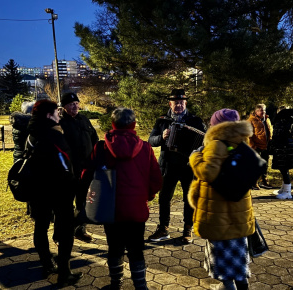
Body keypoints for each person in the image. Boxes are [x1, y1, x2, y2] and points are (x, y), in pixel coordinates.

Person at [88, 107, 162, 290]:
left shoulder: (101, 147)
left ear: (113, 124)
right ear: (134, 124)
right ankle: (140, 285)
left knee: (114, 247)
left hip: (109, 208)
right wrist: (148, 195)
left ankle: (116, 283)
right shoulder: (145, 147)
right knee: (136, 249)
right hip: (136, 208)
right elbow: (156, 178)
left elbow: (87, 175)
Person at [188, 108, 255, 290]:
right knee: (238, 254)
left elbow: (208, 172)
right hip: (238, 210)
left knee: (222, 255)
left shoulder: (217, 144)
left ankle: (227, 286)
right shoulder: (241, 142)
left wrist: (195, 157)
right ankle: (242, 285)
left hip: (219, 212)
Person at [27, 99, 83, 287]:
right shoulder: (54, 135)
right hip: (59, 191)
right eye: (56, 112)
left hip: (37, 190)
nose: (59, 114)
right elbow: (65, 166)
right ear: (48, 115)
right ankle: (64, 273)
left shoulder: (31, 134)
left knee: (40, 227)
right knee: (66, 230)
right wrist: (75, 184)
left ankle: (46, 264)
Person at [148, 89, 206, 244]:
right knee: (164, 198)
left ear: (185, 103)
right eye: (175, 102)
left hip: (188, 167)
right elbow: (151, 141)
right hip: (168, 165)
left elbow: (206, 141)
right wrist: (162, 137)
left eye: (181, 102)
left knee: (189, 198)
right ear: (170, 104)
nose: (178, 105)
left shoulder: (195, 121)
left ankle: (188, 228)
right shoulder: (162, 121)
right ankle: (163, 228)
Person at [59, 92, 99, 243]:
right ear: (64, 107)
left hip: (86, 169)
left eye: (76, 103)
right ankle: (62, 233)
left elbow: (94, 138)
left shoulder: (84, 119)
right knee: (66, 205)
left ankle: (79, 230)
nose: (75, 106)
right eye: (71, 104)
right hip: (69, 171)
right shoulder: (61, 122)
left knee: (82, 202)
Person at [10, 101, 35, 216]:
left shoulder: (18, 123)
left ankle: (29, 209)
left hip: (19, 158)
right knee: (31, 183)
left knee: (25, 183)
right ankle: (32, 209)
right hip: (27, 158)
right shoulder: (27, 124)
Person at [269, 106, 293, 199]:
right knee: (284, 169)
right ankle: (284, 188)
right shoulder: (290, 120)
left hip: (283, 147)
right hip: (287, 146)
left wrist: (273, 144)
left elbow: (280, 135)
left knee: (284, 168)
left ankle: (287, 192)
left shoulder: (283, 121)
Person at [248, 104, 273, 190]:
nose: (263, 112)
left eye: (264, 110)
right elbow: (248, 135)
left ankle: (264, 181)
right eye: (261, 110)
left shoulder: (267, 119)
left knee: (265, 165)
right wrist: (253, 146)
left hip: (266, 146)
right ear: (256, 111)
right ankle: (253, 183)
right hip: (256, 147)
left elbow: (269, 131)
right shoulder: (251, 120)